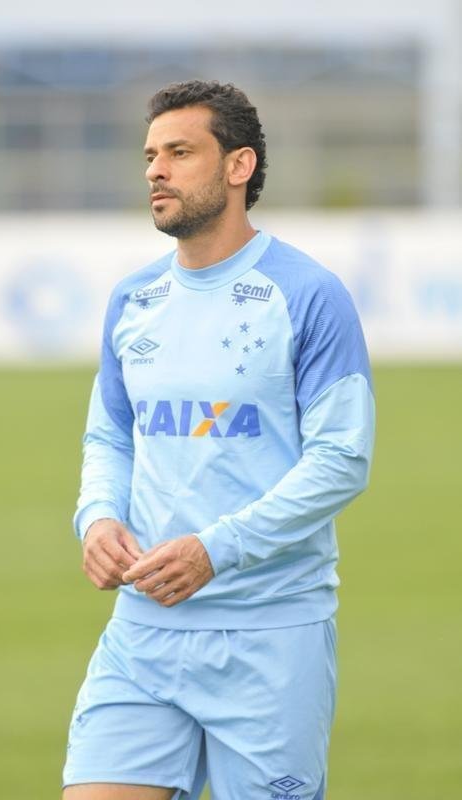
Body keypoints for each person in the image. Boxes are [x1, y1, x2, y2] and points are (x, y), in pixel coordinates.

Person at [62, 80, 375, 800]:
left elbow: (341, 459)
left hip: (269, 635)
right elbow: (110, 434)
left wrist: (216, 548)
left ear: (238, 166)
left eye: (179, 152)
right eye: (150, 155)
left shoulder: (306, 294)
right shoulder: (134, 299)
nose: (155, 171)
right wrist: (98, 517)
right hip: (143, 630)